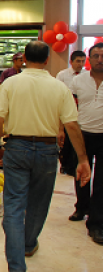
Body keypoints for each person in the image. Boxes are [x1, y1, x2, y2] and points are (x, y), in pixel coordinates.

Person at [0, 41, 90, 272]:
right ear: (47, 60)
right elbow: (72, 126)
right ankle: (28, 243)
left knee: (14, 206)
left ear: (24, 57)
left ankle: (16, 266)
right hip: (47, 151)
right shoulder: (59, 87)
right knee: (39, 203)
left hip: (16, 147)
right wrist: (83, 160)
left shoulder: (10, 84)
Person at [68, 43, 103, 242]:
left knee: (101, 181)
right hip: (82, 134)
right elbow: (70, 105)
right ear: (90, 58)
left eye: (102, 56)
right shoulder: (79, 80)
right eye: (96, 55)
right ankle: (81, 207)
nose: (100, 59)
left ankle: (96, 223)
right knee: (81, 173)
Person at [55, 50, 87, 178]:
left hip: (81, 113)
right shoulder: (62, 75)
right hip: (65, 112)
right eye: (78, 61)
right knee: (66, 142)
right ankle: (65, 165)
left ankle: (75, 165)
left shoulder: (86, 75)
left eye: (83, 61)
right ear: (71, 61)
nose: (81, 64)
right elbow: (57, 94)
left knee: (78, 138)